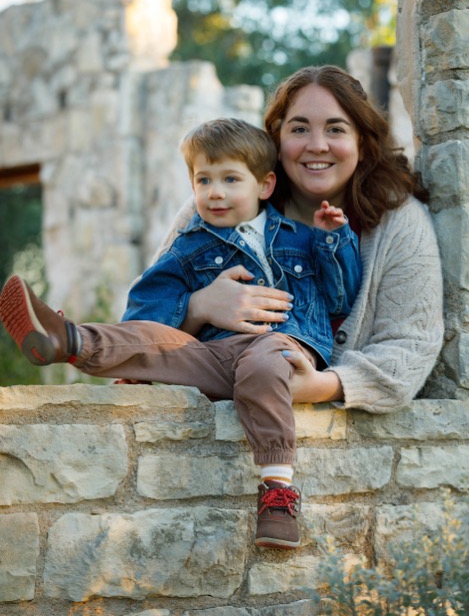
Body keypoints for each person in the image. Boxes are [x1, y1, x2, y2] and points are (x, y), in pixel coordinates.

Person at [0, 116, 362, 550]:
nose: (215, 192)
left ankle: (277, 492)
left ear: (265, 185)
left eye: (230, 178)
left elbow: (341, 297)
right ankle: (69, 340)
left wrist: (332, 241)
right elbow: (146, 308)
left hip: (281, 349)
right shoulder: (189, 246)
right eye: (203, 179)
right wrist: (196, 304)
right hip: (215, 357)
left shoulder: (301, 237)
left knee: (265, 361)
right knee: (158, 339)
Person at [156, 65, 444, 412]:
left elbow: (410, 346)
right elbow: (149, 310)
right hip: (211, 424)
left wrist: (320, 386)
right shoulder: (217, 206)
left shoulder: (399, 222)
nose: (317, 145)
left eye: (335, 129)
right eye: (300, 128)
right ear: (277, 139)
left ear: (363, 144)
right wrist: (199, 307)